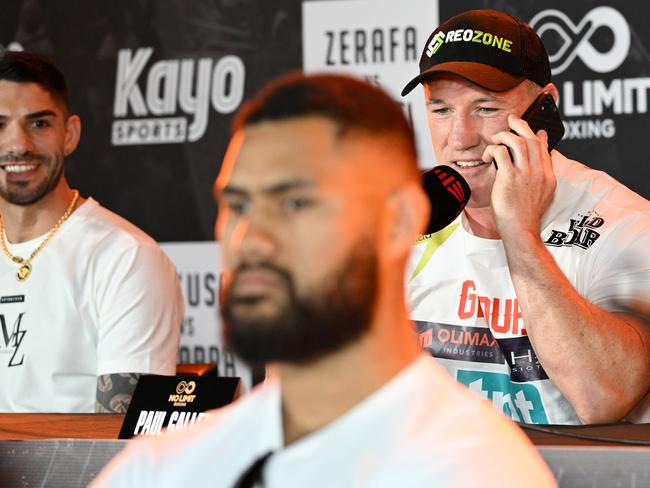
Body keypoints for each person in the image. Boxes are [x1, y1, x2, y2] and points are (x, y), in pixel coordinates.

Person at [93, 73, 556, 487]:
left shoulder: (470, 470)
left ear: (398, 222)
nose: (252, 238)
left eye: (295, 203)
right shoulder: (165, 466)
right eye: (238, 205)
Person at [402, 9, 650, 425]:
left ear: (543, 108)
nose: (460, 139)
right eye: (441, 110)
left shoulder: (624, 223)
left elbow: (603, 397)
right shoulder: (408, 219)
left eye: (485, 108)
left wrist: (518, 230)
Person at [0, 50, 183, 413]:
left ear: (70, 135)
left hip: (76, 471)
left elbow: (117, 444)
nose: (18, 144)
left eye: (38, 124)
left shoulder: (126, 257)